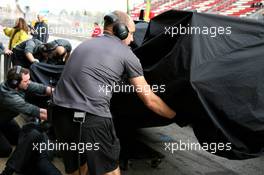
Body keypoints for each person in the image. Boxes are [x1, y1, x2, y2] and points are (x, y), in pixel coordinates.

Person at [52, 11, 177, 175]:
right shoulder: (127, 54)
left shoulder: (83, 46)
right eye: (131, 33)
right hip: (92, 117)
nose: (132, 40)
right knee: (109, 171)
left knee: (77, 169)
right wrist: (175, 116)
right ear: (121, 30)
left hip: (59, 114)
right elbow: (150, 100)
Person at [0, 66, 53, 158]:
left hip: (4, 119)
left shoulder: (20, 84)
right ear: (15, 83)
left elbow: (42, 89)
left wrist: (60, 93)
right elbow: (38, 112)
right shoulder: (9, 98)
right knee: (6, 150)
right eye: (26, 81)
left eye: (28, 79)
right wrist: (61, 118)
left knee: (19, 139)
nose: (29, 82)